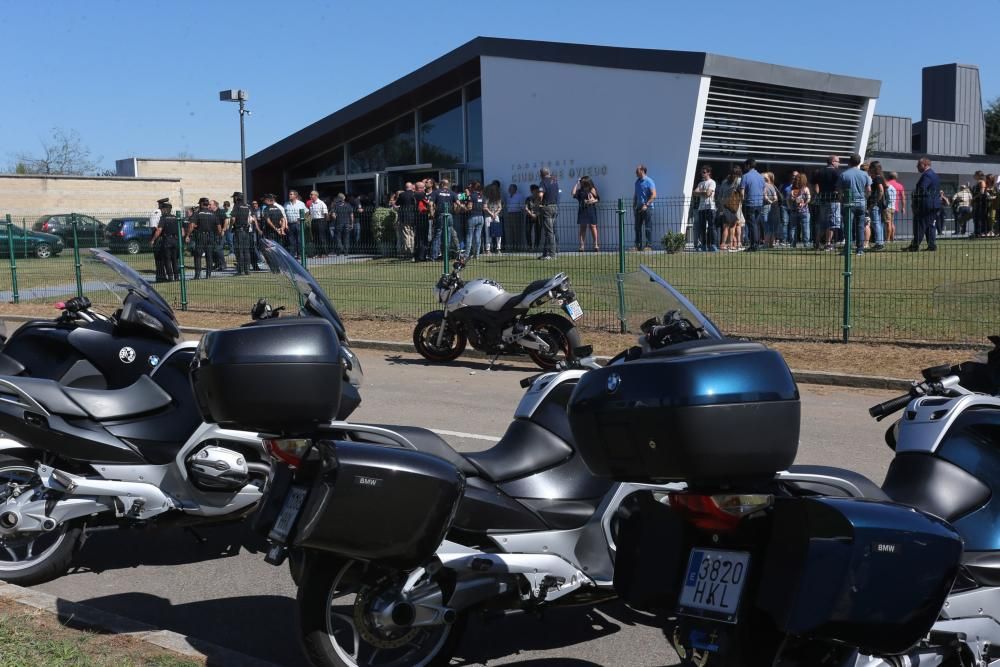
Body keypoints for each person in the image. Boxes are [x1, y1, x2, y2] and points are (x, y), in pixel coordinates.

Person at [838, 154, 872, 256]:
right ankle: (860, 249)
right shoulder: (864, 174)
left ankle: (847, 249)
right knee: (860, 226)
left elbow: (839, 191)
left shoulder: (844, 174)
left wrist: (841, 200)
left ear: (849, 162)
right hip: (861, 202)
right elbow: (869, 190)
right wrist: (865, 198)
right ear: (859, 162)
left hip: (848, 203)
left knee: (848, 226)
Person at [907, 157, 940, 252]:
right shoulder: (934, 175)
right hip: (934, 204)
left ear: (925, 165)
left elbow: (921, 189)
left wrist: (915, 201)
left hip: (925, 204)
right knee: (930, 225)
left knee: (919, 224)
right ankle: (932, 245)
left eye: (918, 164)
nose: (917, 166)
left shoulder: (927, 175)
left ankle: (915, 245)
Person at [186, 197, 221, 279]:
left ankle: (197, 275)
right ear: (207, 204)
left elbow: (191, 226)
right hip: (210, 237)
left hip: (200, 237)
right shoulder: (213, 214)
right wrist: (218, 235)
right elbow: (219, 227)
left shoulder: (197, 213)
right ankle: (208, 275)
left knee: (197, 256)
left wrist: (187, 235)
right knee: (209, 256)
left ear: (201, 204)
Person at [814, 155, 841, 251]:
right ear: (833, 162)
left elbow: (814, 183)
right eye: (838, 161)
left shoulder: (819, 171)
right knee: (832, 222)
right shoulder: (836, 172)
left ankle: (817, 243)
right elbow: (839, 187)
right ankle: (828, 244)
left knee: (822, 222)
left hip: (822, 199)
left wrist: (818, 193)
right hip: (833, 200)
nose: (839, 163)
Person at [429, 179, 460, 260]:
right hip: (449, 215)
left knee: (437, 235)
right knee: (448, 235)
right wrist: (456, 211)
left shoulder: (436, 192)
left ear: (441, 184)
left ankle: (434, 256)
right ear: (447, 184)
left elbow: (430, 204)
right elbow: (458, 204)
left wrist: (432, 213)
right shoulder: (452, 193)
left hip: (440, 215)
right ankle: (446, 255)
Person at [150, 198, 178, 282]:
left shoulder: (163, 216)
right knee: (173, 260)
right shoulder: (174, 217)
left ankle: (168, 277)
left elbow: (157, 229)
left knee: (166, 259)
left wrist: (153, 239)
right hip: (172, 239)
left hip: (164, 239)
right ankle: (173, 277)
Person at [741, 158, 766, 251]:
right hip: (759, 203)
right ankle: (756, 243)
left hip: (749, 203)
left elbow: (742, 193)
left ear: (748, 165)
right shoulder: (761, 177)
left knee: (752, 225)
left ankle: (754, 245)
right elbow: (764, 190)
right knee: (756, 224)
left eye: (745, 165)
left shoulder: (745, 176)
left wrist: (742, 201)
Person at [717, 165, 743, 251]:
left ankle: (723, 244)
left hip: (724, 206)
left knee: (725, 226)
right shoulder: (739, 181)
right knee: (733, 226)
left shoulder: (724, 182)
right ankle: (731, 244)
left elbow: (719, 196)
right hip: (734, 206)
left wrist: (721, 206)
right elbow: (742, 194)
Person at [572, 175, 600, 252]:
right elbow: (573, 194)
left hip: (591, 209)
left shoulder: (592, 189)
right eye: (581, 182)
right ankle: (582, 246)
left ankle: (596, 244)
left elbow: (597, 199)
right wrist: (576, 183)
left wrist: (591, 201)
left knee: (593, 226)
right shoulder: (580, 190)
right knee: (582, 227)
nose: (581, 183)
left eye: (582, 182)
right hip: (582, 210)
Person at [693, 165, 717, 252]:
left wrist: (700, 192)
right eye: (702, 172)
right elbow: (694, 193)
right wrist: (703, 192)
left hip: (710, 207)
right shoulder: (700, 183)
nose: (702, 174)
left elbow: (708, 194)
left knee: (711, 227)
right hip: (701, 208)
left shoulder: (712, 182)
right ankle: (704, 245)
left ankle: (712, 244)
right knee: (702, 227)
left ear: (709, 173)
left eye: (704, 172)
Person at [230, 192, 254, 275]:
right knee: (246, 250)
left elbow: (233, 218)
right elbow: (250, 219)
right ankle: (247, 270)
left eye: (234, 197)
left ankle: (241, 270)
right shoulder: (247, 206)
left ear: (237, 198)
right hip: (246, 230)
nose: (233, 198)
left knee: (239, 250)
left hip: (239, 230)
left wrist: (230, 227)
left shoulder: (237, 205)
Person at [632, 165, 656, 251]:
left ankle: (648, 246)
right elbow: (636, 195)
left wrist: (647, 204)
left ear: (642, 171)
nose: (635, 172)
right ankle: (637, 246)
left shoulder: (649, 181)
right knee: (637, 227)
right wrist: (634, 205)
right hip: (638, 207)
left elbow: (654, 195)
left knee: (648, 227)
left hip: (647, 208)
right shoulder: (637, 182)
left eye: (637, 170)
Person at [538, 168, 560, 260]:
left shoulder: (543, 182)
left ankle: (552, 255)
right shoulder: (554, 181)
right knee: (550, 231)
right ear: (549, 173)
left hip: (547, 207)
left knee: (549, 232)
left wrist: (539, 203)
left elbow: (540, 195)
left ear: (541, 174)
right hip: (555, 207)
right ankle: (545, 253)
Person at [788, 173, 812, 250]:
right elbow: (808, 198)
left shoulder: (793, 189)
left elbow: (789, 199)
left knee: (793, 228)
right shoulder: (806, 189)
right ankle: (806, 243)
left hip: (794, 210)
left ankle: (793, 243)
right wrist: (804, 203)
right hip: (804, 211)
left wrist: (790, 206)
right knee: (805, 227)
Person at [867, 161, 887, 251]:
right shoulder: (880, 177)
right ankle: (880, 242)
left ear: (873, 168)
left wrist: (876, 201)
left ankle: (879, 243)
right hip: (878, 204)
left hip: (875, 203)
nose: (869, 169)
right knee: (878, 223)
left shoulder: (877, 178)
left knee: (876, 223)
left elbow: (881, 190)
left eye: (870, 167)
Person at [463, 181, 485, 258]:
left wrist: (463, 207)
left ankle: (466, 254)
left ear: (472, 187)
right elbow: (484, 207)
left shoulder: (471, 196)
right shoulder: (482, 196)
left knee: (469, 236)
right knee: (478, 236)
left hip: (472, 216)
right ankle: (477, 255)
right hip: (481, 217)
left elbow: (469, 207)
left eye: (470, 187)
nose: (469, 188)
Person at [395, 183, 417, 259]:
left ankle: (409, 251)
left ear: (405, 187)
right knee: (412, 234)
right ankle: (413, 250)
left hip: (404, 217)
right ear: (411, 187)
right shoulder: (414, 194)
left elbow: (397, 203)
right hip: (414, 217)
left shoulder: (402, 195)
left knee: (406, 235)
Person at [284, 190, 307, 259]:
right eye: (289, 194)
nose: (289, 195)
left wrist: (301, 219)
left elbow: (307, 212)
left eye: (291, 194)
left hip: (298, 224)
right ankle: (292, 255)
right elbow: (284, 215)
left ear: (295, 196)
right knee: (291, 240)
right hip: (290, 224)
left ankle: (300, 254)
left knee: (299, 240)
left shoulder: (301, 203)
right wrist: (285, 223)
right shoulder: (286, 204)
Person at [307, 191, 329, 257]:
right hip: (314, 221)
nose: (310, 196)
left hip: (321, 221)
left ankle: (325, 253)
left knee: (321, 238)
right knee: (315, 238)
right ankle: (318, 253)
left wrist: (325, 223)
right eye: (310, 194)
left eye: (311, 195)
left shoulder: (321, 203)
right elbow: (310, 213)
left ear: (316, 195)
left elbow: (326, 214)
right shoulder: (311, 204)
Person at [485, 182, 504, 254]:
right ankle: (488, 249)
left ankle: (498, 248)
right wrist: (491, 213)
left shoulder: (498, 197)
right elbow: (485, 207)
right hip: (488, 216)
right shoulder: (487, 197)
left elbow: (500, 207)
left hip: (496, 215)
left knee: (498, 233)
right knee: (488, 232)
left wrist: (495, 214)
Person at [413, 181, 430, 261]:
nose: (424, 189)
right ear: (420, 188)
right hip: (422, 217)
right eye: (423, 187)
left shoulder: (413, 195)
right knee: (423, 238)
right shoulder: (420, 194)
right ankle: (422, 256)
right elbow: (428, 203)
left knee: (417, 238)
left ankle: (417, 256)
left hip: (416, 218)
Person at [505, 184, 525, 252]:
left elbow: (522, 207)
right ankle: (512, 247)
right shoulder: (508, 196)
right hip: (509, 214)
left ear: (515, 189)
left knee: (517, 231)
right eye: (509, 188)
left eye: (510, 188)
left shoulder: (519, 196)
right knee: (510, 231)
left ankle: (518, 247)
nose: (509, 190)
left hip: (517, 214)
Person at [209, 200, 228, 271]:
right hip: (212, 234)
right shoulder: (210, 212)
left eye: (210, 204)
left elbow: (226, 220)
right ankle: (217, 264)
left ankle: (223, 264)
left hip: (220, 233)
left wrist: (223, 230)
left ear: (215, 205)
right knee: (213, 250)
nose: (209, 206)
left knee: (218, 248)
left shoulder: (221, 211)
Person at [762, 172, 780, 248]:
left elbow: (764, 196)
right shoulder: (772, 186)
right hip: (772, 208)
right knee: (771, 225)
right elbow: (776, 198)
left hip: (765, 207)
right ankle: (771, 243)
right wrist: (772, 202)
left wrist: (769, 201)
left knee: (766, 226)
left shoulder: (763, 186)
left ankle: (766, 243)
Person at [524, 184, 543, 251]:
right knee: (528, 231)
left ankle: (536, 247)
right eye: (535, 191)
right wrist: (531, 214)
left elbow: (541, 208)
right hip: (529, 216)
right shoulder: (528, 199)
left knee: (538, 232)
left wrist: (536, 214)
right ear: (532, 191)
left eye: (537, 191)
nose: (537, 192)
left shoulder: (540, 198)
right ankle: (529, 246)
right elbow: (526, 208)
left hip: (538, 217)